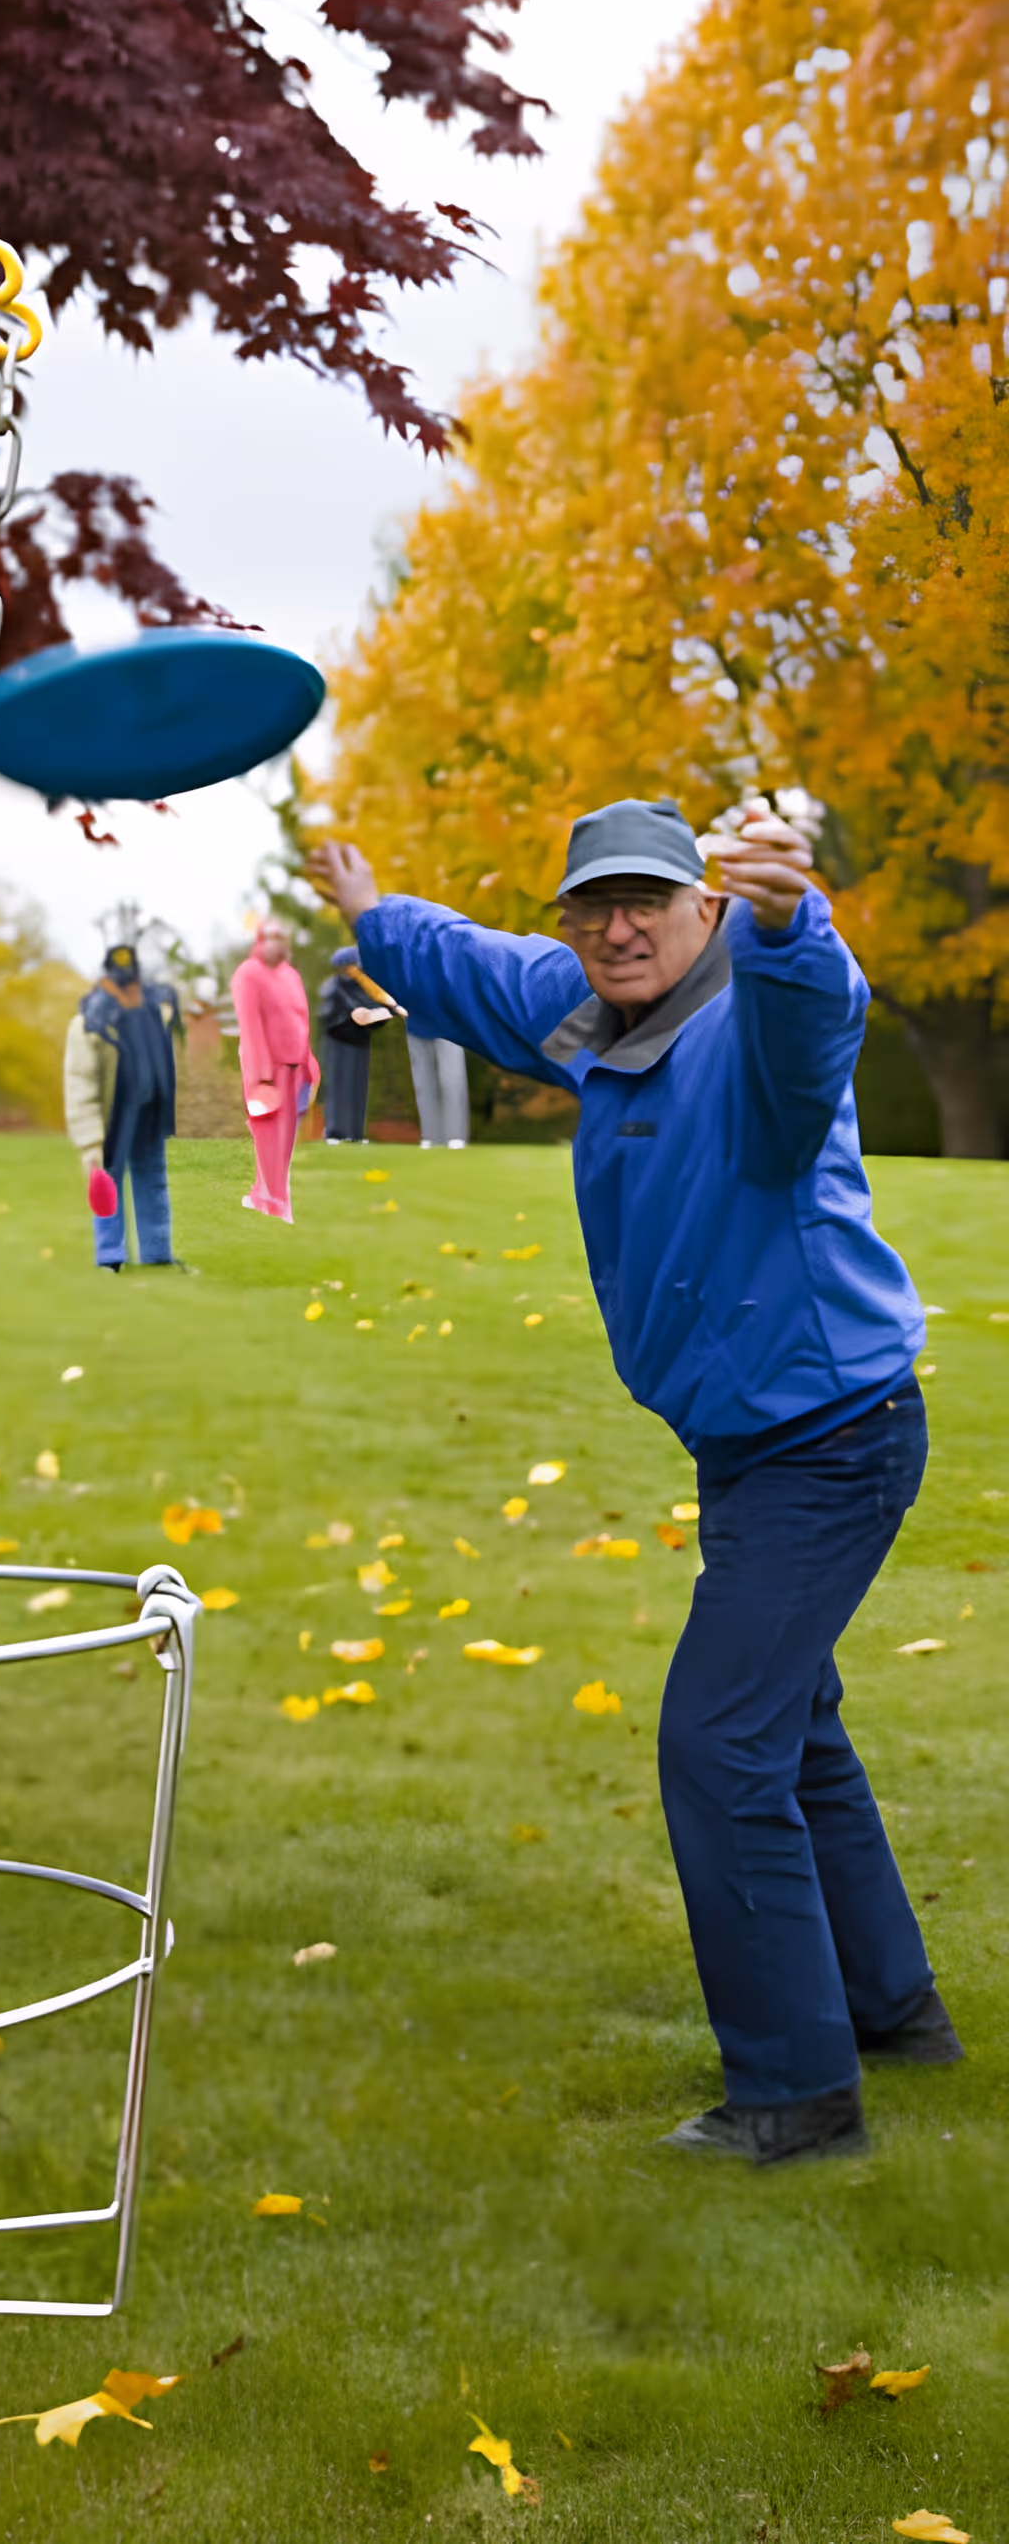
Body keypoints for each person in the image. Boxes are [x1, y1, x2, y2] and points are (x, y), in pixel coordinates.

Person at [308, 796, 952, 2169]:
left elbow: (811, 1020)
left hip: (830, 1440)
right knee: (793, 1729)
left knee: (718, 1744)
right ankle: (894, 2011)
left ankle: (796, 2096)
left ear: (703, 908)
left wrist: (791, 920)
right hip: (752, 1441)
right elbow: (473, 968)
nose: (618, 926)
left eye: (650, 899)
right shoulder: (589, 1005)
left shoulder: (747, 1030)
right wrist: (373, 915)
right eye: (593, 905)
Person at [63, 937, 185, 1271]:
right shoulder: (91, 1019)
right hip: (113, 1114)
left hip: (149, 1109)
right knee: (106, 1180)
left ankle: (157, 1252)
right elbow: (80, 1081)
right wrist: (89, 1139)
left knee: (152, 1178)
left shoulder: (151, 1007)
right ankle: (110, 1255)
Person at [231, 917, 319, 1221]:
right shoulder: (248, 974)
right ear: (260, 940)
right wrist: (261, 1077)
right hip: (269, 1069)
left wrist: (309, 1062)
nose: (280, 943)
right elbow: (251, 1027)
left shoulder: (291, 975)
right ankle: (276, 1203)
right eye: (273, 937)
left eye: (284, 938)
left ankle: (264, 1194)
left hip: (296, 1066)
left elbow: (301, 1020)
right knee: (268, 1135)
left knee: (284, 1140)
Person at [317, 950, 394, 1144]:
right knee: (338, 1086)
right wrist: (352, 1018)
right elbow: (327, 1017)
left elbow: (375, 1010)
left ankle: (355, 1133)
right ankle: (335, 1131)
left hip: (359, 1042)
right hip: (338, 1043)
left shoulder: (364, 988)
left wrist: (377, 1017)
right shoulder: (331, 987)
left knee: (357, 1088)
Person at [407, 1029, 470, 1148]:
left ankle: (455, 1135)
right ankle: (430, 1136)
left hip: (447, 1015)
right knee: (421, 1078)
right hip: (416, 1016)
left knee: (451, 1076)